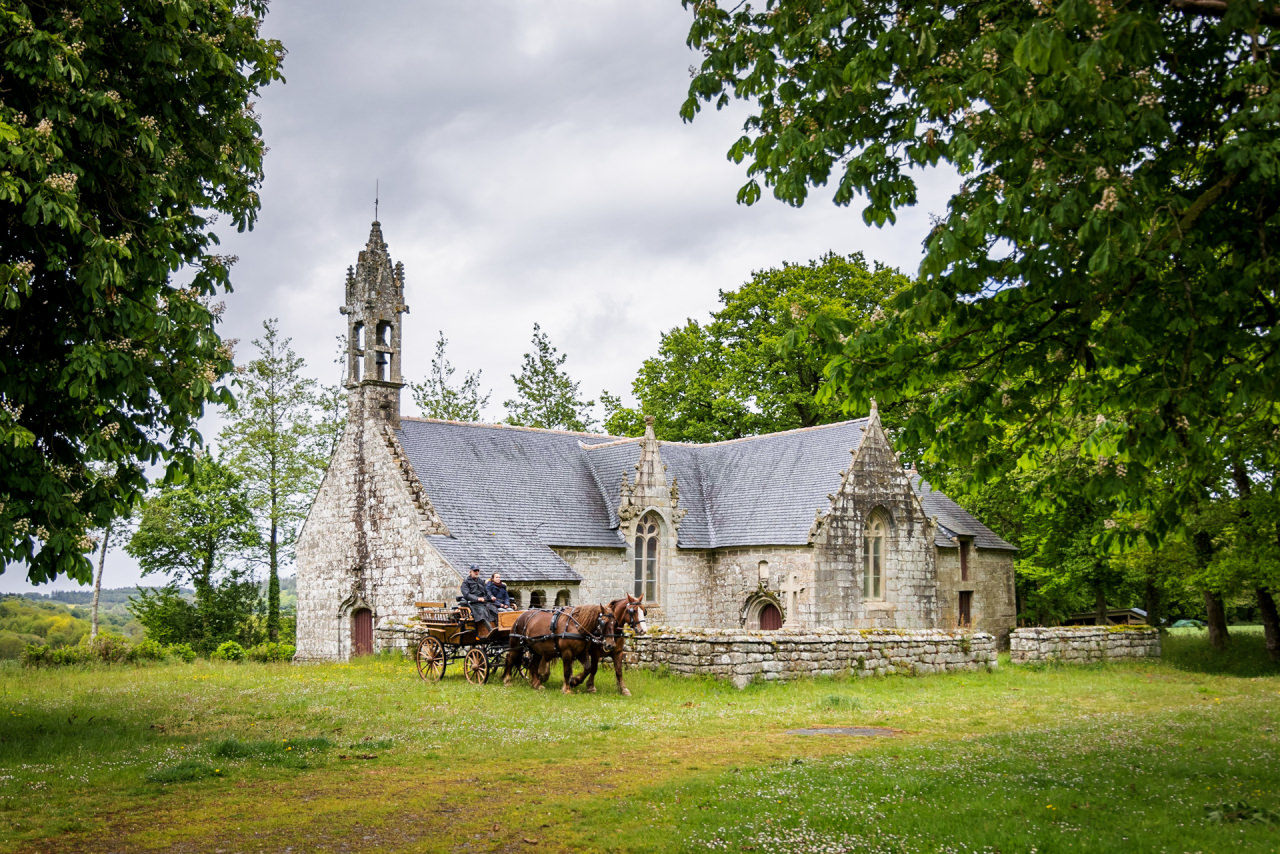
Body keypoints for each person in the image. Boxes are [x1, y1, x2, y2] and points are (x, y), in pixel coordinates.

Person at [461, 564, 498, 638]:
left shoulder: (481, 581)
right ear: (470, 572)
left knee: (495, 610)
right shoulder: (466, 582)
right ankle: (490, 631)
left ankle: (498, 629)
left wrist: (491, 596)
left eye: (477, 571)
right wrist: (477, 598)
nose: (476, 572)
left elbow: (486, 591)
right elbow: (466, 594)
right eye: (475, 571)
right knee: (482, 612)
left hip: (484, 602)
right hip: (473, 604)